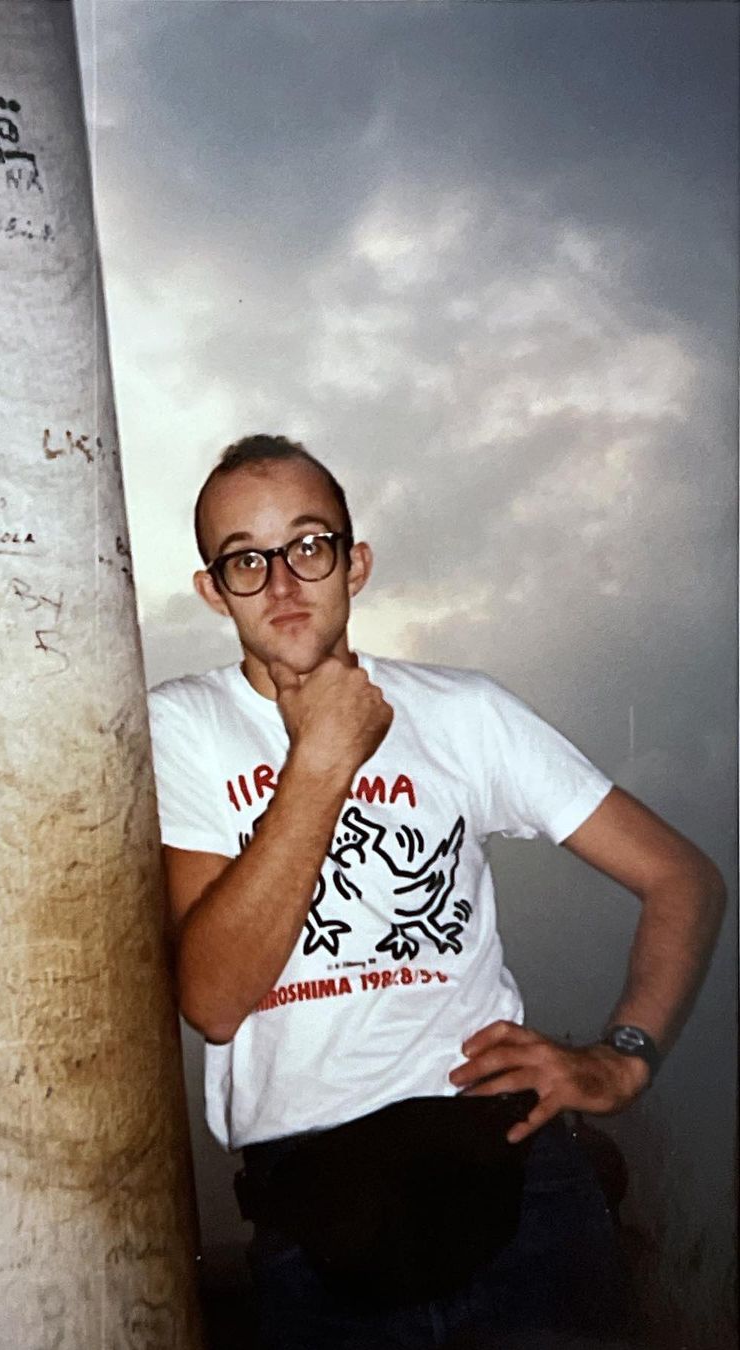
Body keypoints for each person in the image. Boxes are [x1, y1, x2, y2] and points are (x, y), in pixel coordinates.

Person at [146, 434, 725, 1349]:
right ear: (213, 590)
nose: (283, 581)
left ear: (356, 563)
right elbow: (214, 1002)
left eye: (309, 545)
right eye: (245, 560)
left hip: (517, 1184)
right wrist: (322, 758)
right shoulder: (184, 725)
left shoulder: (464, 711)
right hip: (316, 1218)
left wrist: (621, 1059)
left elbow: (681, 878)